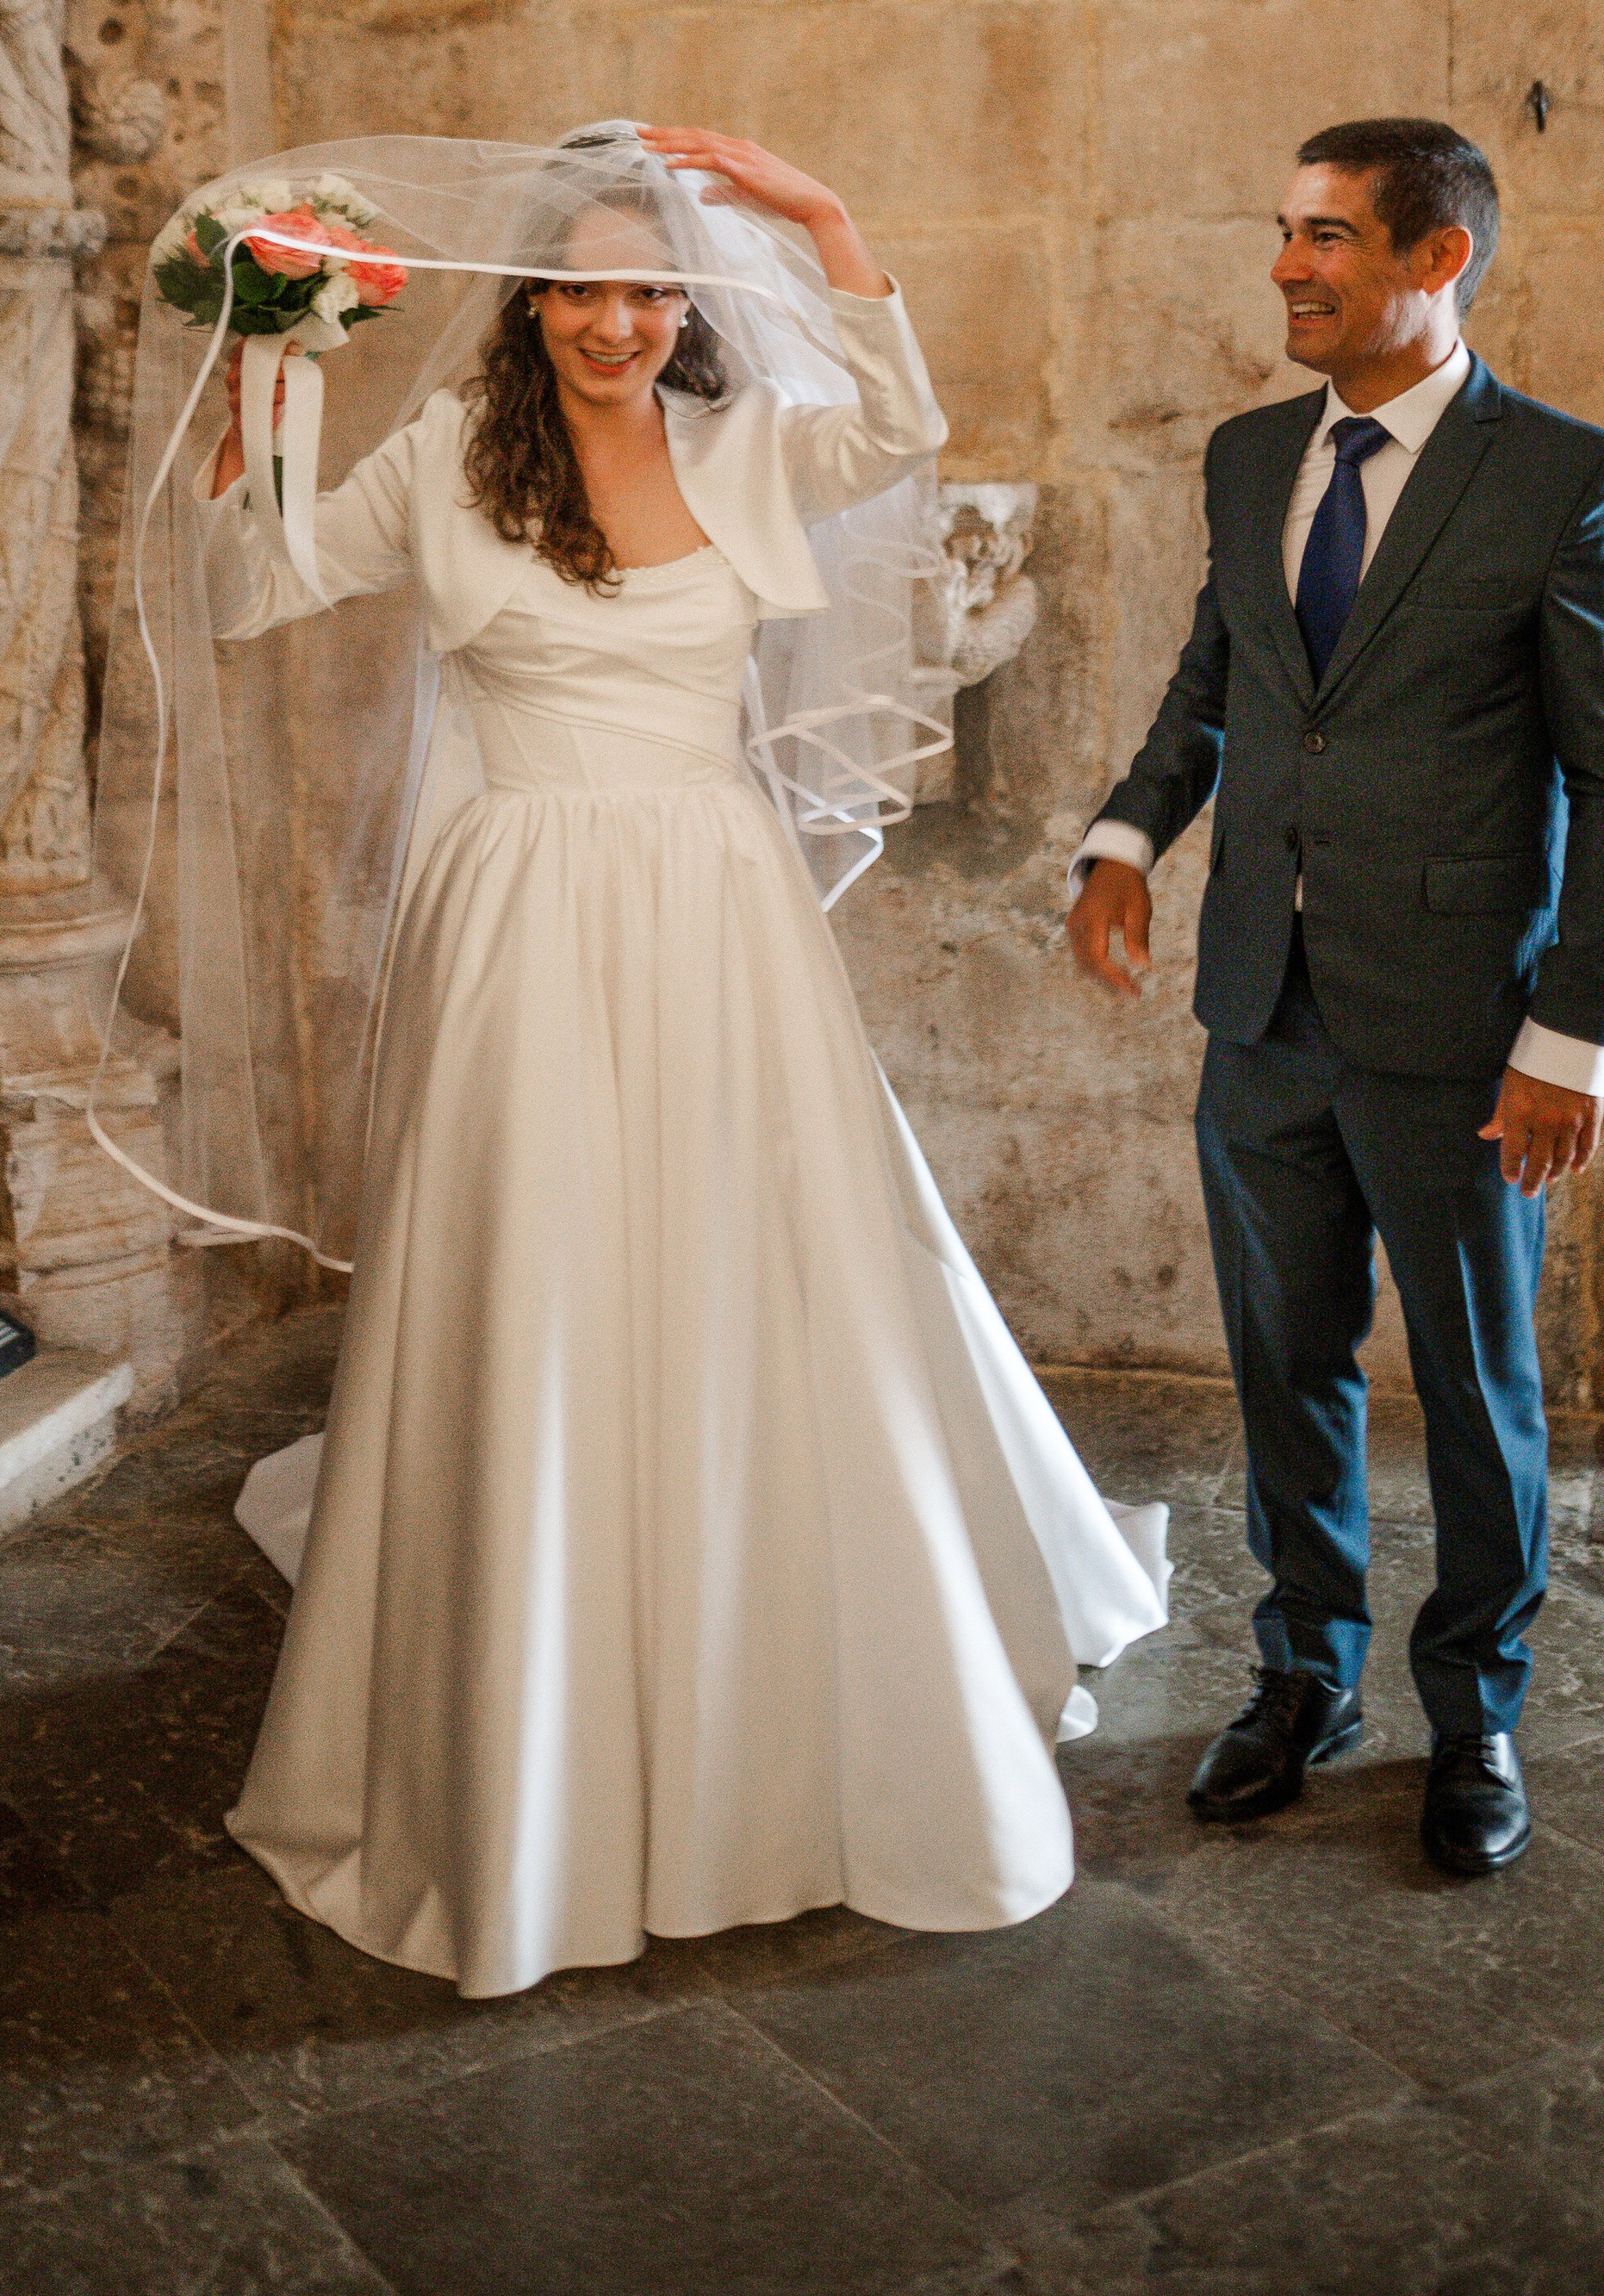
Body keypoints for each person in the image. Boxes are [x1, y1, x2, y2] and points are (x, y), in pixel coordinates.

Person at [176, 123, 1168, 2000]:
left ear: (685, 306)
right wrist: (265, 368)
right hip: (516, 912)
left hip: (713, 907)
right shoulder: (446, 466)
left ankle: (782, 1690)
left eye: (650, 288)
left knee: (747, 1270)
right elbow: (251, 588)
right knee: (540, 1271)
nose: (618, 319)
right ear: (525, 303)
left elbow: (894, 431)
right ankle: (531, 1727)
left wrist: (818, 212)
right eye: (583, 286)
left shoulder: (747, 446)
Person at [1066, 117, 1604, 1879]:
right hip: (1258, 1004)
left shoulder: (1561, 474)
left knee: (1475, 1384)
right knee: (1280, 1355)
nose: (1285, 266)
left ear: (1433, 259)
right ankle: (1300, 1672)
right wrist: (1125, 839)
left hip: (1462, 1032)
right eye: (1283, 229)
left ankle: (1471, 1703)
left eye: (1325, 236)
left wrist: (1564, 1040)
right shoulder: (1251, 457)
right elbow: (1219, 680)